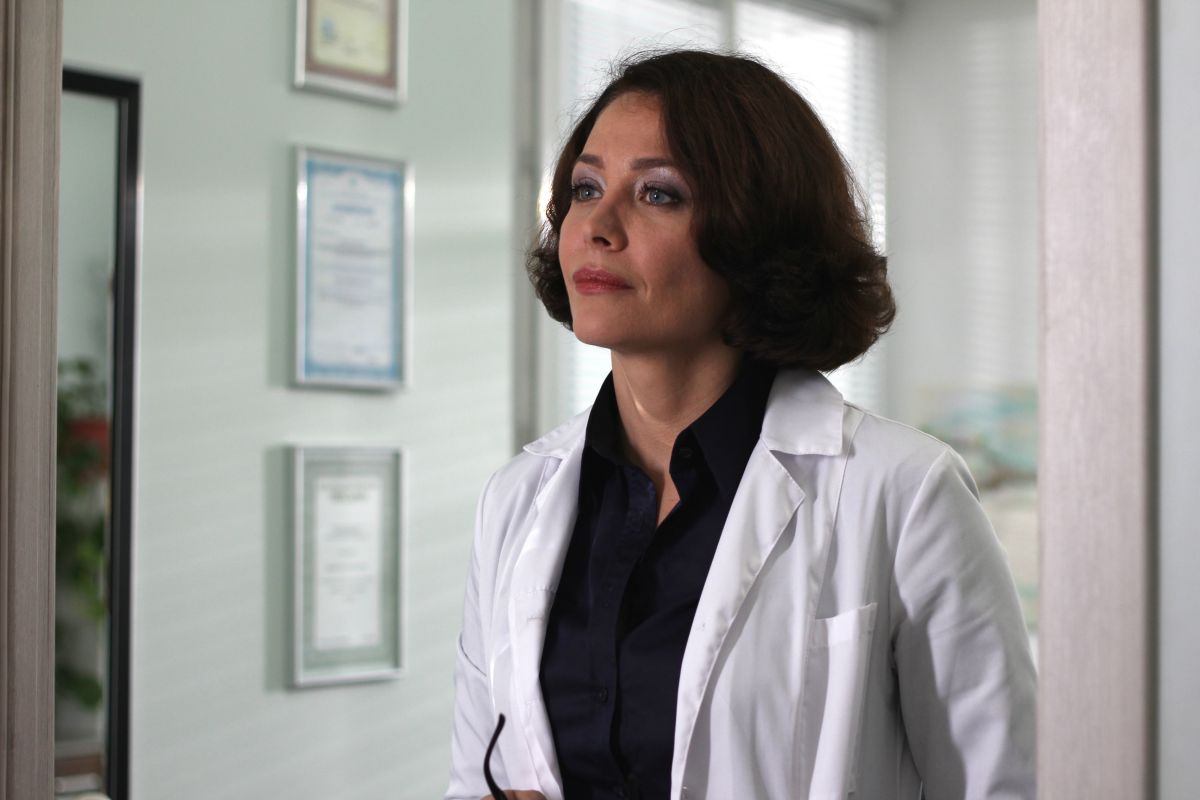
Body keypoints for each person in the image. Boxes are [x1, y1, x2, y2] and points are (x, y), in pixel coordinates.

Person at [446, 50, 1036, 800]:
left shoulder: (903, 491)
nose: (597, 225)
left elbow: (1005, 785)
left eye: (658, 194)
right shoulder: (516, 499)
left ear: (757, 234)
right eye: (585, 189)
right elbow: (478, 778)